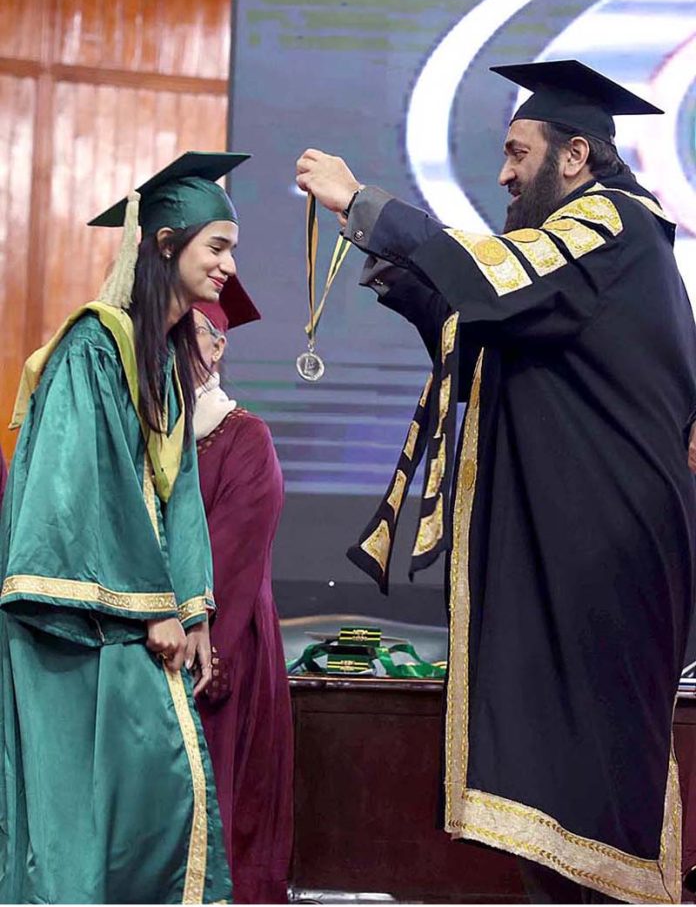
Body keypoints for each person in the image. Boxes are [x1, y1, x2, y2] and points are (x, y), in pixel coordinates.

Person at [295, 60, 696, 904]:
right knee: (552, 808)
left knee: (587, 808)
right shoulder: (589, 255)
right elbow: (484, 320)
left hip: (607, 559)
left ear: (576, 155)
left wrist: (363, 203)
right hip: (579, 557)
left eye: (518, 153)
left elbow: (492, 283)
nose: (506, 173)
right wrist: (397, 270)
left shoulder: (612, 225)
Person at [0, 151, 249, 903]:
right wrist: (154, 603)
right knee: (89, 820)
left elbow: (178, 500)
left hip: (134, 624)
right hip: (79, 629)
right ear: (166, 243)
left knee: (160, 807)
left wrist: (194, 608)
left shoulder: (165, 364)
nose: (230, 268)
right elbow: (82, 493)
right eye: (218, 246)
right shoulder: (90, 348)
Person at [192, 275, 294, 904]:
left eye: (189, 334)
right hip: (149, 643)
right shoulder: (148, 436)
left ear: (217, 346)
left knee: (219, 805)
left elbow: (228, 566)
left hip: (223, 647)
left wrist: (192, 644)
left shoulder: (244, 439)